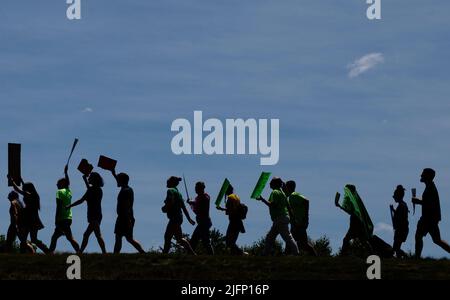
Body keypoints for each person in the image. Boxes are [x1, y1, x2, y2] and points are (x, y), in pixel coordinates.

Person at [413, 168, 450, 258]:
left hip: (428, 218)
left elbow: (429, 203)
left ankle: (417, 258)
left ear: (428, 176)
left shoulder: (431, 188)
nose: (421, 175)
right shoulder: (430, 187)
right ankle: (417, 257)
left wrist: (417, 201)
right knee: (436, 240)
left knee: (419, 236)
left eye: (423, 174)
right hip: (430, 218)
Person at [8, 174, 50, 254]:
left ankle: (45, 250)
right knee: (31, 239)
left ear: (28, 189)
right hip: (33, 218)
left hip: (28, 218)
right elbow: (25, 189)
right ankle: (46, 250)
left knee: (25, 239)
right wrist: (22, 181)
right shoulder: (34, 195)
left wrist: (12, 181)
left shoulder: (29, 194)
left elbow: (18, 190)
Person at [257, 177, 299, 256]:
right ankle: (265, 253)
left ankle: (296, 253)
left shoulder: (275, 192)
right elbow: (288, 207)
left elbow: (272, 205)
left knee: (287, 237)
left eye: (271, 182)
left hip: (279, 218)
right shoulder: (282, 193)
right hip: (282, 218)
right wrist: (293, 217)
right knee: (270, 237)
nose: (269, 184)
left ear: (275, 184)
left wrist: (262, 199)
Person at [68, 172, 107, 254]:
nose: (89, 178)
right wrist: (84, 179)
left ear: (94, 180)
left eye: (90, 177)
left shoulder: (92, 190)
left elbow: (81, 200)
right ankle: (82, 251)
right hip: (96, 214)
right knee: (90, 234)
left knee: (95, 235)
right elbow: (89, 189)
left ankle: (82, 252)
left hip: (94, 215)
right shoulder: (98, 190)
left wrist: (70, 206)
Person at [111, 168, 145, 254]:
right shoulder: (127, 189)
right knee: (129, 238)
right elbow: (119, 181)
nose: (116, 182)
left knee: (119, 238)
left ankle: (115, 256)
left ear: (121, 181)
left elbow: (126, 206)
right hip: (127, 217)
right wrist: (113, 174)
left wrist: (128, 219)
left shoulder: (125, 191)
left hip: (124, 217)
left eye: (118, 180)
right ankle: (142, 252)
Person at [49, 165, 80, 253]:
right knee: (59, 237)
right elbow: (68, 183)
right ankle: (79, 251)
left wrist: (56, 219)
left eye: (58, 183)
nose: (56, 184)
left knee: (67, 238)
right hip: (68, 218)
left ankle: (79, 251)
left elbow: (58, 207)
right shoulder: (68, 191)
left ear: (62, 184)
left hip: (62, 218)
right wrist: (66, 172)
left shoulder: (59, 192)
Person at [162, 176, 196, 254]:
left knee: (167, 237)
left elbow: (171, 202)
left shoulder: (170, 190)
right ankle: (193, 254)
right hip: (179, 217)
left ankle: (164, 254)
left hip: (174, 217)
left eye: (168, 181)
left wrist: (165, 208)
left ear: (171, 182)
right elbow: (183, 207)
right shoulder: (178, 193)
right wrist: (189, 219)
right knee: (179, 239)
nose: (167, 182)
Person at [336, 184, 373, 255]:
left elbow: (351, 212)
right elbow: (351, 211)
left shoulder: (354, 202)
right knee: (363, 241)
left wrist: (339, 206)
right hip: (358, 223)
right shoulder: (357, 201)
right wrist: (340, 206)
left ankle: (343, 255)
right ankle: (372, 254)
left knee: (346, 240)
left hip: (355, 224)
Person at [284, 180, 317, 256]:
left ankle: (315, 257)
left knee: (303, 244)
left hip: (299, 223)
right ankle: (285, 257)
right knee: (291, 243)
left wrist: (306, 217)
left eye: (286, 187)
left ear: (289, 187)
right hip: (295, 224)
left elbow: (306, 201)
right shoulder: (290, 197)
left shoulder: (294, 195)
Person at [217, 185, 247, 255]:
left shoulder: (230, 198)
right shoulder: (236, 197)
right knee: (232, 242)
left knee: (229, 242)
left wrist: (221, 209)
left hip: (233, 221)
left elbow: (229, 211)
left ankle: (242, 253)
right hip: (238, 221)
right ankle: (236, 255)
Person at [187, 181, 214, 255]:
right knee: (198, 240)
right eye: (195, 188)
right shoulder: (202, 197)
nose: (195, 189)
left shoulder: (204, 197)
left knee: (203, 241)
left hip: (204, 222)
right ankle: (191, 255)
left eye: (197, 188)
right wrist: (191, 202)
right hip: (203, 222)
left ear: (201, 188)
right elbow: (196, 203)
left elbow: (199, 204)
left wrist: (191, 202)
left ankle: (191, 255)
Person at [390, 185, 409, 258]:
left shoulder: (402, 206)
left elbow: (401, 218)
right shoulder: (402, 205)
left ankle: (406, 256)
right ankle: (403, 257)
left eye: (394, 196)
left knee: (396, 247)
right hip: (401, 229)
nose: (394, 197)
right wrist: (393, 210)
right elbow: (400, 215)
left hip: (401, 230)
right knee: (396, 247)